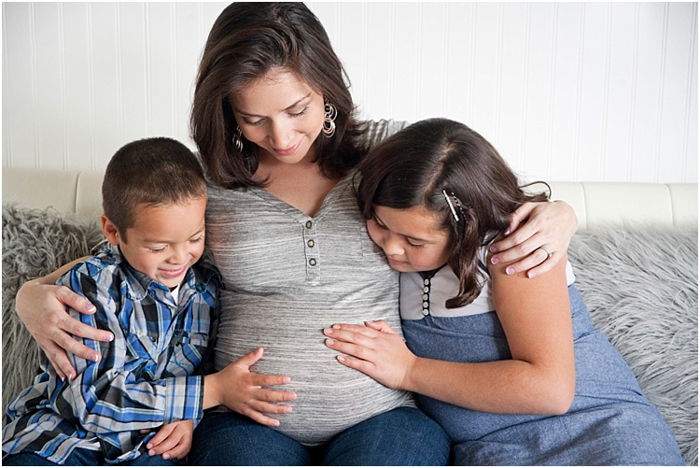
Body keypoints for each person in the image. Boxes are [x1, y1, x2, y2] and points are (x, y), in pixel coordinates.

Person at [13, 4, 578, 465]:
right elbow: (138, 252)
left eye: (296, 109)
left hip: (381, 414)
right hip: (247, 421)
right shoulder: (209, 179)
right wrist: (29, 294)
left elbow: (483, 194)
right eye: (252, 119)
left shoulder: (392, 154)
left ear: (326, 87)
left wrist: (563, 213)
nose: (281, 136)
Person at [322, 118, 685, 465]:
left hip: (596, 433)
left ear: (468, 230)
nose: (392, 248)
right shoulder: (404, 254)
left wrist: (409, 371)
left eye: (414, 241)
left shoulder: (513, 251)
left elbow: (550, 390)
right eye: (380, 224)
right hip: (493, 450)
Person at [3, 138, 262, 465]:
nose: (180, 257)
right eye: (158, 247)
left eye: (195, 238)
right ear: (112, 231)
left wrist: (189, 416)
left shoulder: (207, 290)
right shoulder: (90, 286)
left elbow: (205, 366)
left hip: (148, 446)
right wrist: (211, 392)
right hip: (61, 439)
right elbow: (95, 404)